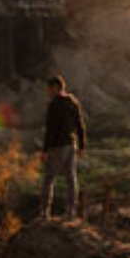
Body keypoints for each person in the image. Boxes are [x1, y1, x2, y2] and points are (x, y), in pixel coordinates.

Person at [39, 74, 87, 220]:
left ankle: (44, 213)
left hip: (57, 147)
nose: (47, 91)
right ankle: (70, 211)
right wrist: (81, 146)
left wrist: (45, 150)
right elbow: (80, 126)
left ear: (55, 87)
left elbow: (50, 129)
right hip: (71, 145)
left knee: (49, 178)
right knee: (71, 179)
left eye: (49, 88)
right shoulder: (73, 102)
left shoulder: (54, 104)